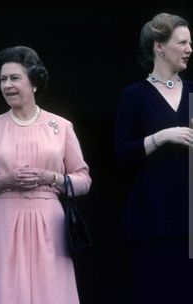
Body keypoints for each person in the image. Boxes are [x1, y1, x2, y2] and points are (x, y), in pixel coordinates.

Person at [0, 45, 91, 304]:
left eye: (14, 78)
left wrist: (51, 178)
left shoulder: (61, 127)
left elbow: (83, 179)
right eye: (2, 79)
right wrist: (4, 181)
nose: (7, 85)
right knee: (4, 294)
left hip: (50, 225)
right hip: (4, 222)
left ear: (33, 82)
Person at [115, 12, 193, 304]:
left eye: (190, 43)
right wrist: (161, 137)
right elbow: (122, 155)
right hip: (152, 218)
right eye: (182, 42)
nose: (189, 49)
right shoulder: (134, 96)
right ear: (159, 47)